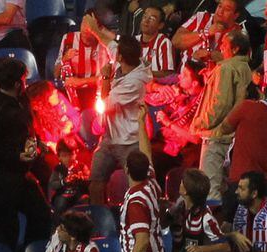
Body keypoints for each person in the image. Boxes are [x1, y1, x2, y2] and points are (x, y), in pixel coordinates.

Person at [0, 58, 52, 251]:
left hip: (18, 177)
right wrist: (17, 156)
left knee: (41, 214)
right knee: (6, 227)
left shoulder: (18, 102)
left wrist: (37, 143)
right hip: (0, 180)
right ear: (18, 83)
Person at [88, 36, 152, 205]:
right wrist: (96, 30)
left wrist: (105, 79)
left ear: (121, 57)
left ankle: (135, 217)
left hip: (129, 141)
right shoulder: (124, 65)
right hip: (109, 139)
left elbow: (104, 103)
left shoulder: (135, 82)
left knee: (137, 185)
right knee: (95, 182)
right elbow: (110, 45)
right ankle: (99, 222)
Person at [216, 77, 267, 221]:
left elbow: (224, 128)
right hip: (265, 184)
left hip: (239, 182)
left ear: (263, 91)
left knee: (229, 226)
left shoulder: (246, 107)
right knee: (261, 228)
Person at [190, 30, 252, 201]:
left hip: (217, 135)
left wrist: (201, 122)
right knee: (226, 187)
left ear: (235, 48)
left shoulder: (226, 68)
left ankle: (210, 225)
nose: (221, 47)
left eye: (225, 44)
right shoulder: (245, 67)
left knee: (210, 187)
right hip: (233, 136)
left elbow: (221, 103)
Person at [120, 104, 165, 252]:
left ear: (126, 170)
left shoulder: (136, 201)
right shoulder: (151, 183)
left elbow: (142, 241)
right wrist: (141, 121)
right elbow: (146, 153)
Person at [54, 11, 114, 110]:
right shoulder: (68, 39)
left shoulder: (105, 46)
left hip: (95, 92)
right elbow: (56, 73)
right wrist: (64, 59)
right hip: (73, 92)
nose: (84, 30)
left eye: (89, 26)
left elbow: (107, 78)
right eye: (83, 24)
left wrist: (80, 82)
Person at [167, 168, 230, 252]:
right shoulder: (179, 207)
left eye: (182, 182)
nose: (180, 183)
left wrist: (200, 249)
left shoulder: (206, 218)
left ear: (185, 191)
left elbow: (225, 247)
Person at [146, 60, 204, 156]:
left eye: (185, 75)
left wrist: (168, 123)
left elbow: (196, 139)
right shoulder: (176, 81)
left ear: (194, 83)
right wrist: (157, 87)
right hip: (158, 134)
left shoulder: (203, 101)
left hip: (177, 149)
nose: (180, 76)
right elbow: (146, 85)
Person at [226, 172, 267, 252]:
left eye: (241, 189)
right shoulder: (236, 205)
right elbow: (220, 235)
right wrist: (233, 235)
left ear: (254, 194)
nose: (236, 191)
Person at [172, 0, 243, 70]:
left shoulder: (239, 33)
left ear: (235, 15)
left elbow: (239, 64)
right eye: (220, 6)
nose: (220, 12)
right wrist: (206, 32)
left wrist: (210, 55)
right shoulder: (201, 17)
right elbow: (176, 41)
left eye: (227, 9)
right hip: (184, 76)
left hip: (214, 79)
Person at [49, 139, 90, 226]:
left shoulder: (81, 166)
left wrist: (80, 178)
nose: (68, 158)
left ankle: (86, 225)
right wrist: (64, 181)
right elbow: (52, 184)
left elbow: (89, 179)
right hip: (63, 195)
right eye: (64, 156)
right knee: (60, 202)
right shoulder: (58, 169)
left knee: (85, 200)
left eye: (71, 155)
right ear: (59, 157)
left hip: (78, 194)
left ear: (76, 153)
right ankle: (58, 226)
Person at [135, 6, 175, 78]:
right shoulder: (134, 41)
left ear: (160, 25)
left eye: (152, 19)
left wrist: (142, 74)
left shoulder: (163, 42)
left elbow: (168, 74)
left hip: (154, 87)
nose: (146, 21)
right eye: (145, 16)